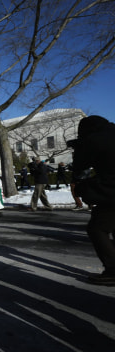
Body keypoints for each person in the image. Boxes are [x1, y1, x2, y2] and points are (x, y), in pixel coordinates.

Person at [71, 115, 115, 285]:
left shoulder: (93, 140)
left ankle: (112, 269)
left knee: (97, 228)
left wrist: (79, 149)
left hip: (111, 193)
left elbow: (80, 168)